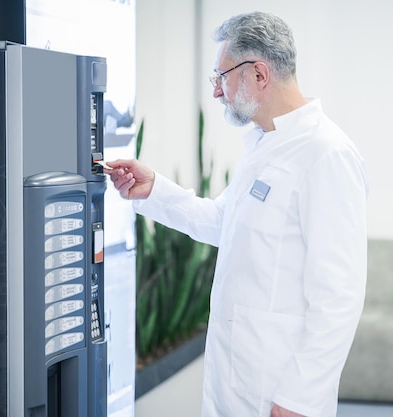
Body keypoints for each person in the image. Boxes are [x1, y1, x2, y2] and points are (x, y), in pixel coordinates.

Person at [105, 11, 369, 417]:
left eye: (220, 77)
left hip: (280, 389)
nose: (216, 92)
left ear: (258, 75)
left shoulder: (326, 154)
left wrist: (300, 396)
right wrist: (153, 189)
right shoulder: (264, 146)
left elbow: (339, 296)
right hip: (238, 378)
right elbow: (223, 223)